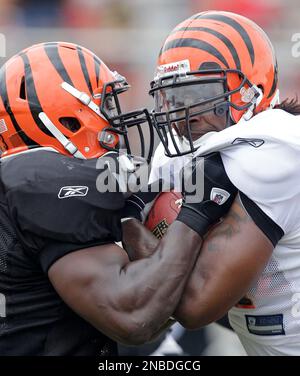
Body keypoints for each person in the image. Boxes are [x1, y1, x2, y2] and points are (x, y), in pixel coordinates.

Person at [0, 41, 235, 355]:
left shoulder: (23, 183)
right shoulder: (41, 180)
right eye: (106, 105)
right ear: (67, 119)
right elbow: (134, 317)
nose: (115, 119)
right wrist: (197, 212)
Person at [123, 11, 300, 356]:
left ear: (251, 92)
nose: (183, 113)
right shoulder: (184, 152)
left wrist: (127, 221)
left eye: (199, 93)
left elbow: (194, 306)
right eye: (173, 96)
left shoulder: (275, 150)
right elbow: (230, 307)